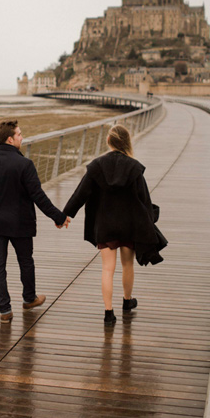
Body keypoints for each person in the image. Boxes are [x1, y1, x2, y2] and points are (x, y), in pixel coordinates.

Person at [63, 123, 166, 325]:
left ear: (109, 142)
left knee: (107, 269)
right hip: (129, 225)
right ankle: (127, 302)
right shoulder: (134, 168)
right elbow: (144, 200)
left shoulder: (96, 166)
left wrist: (65, 215)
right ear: (126, 142)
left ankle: (108, 313)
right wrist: (150, 222)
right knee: (127, 265)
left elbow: (80, 194)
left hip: (105, 226)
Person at [0, 120, 69, 323]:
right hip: (20, 222)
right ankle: (29, 299)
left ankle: (4, 311)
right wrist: (58, 217)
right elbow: (38, 195)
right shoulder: (24, 164)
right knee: (25, 261)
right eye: (19, 134)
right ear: (10, 139)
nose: (22, 137)